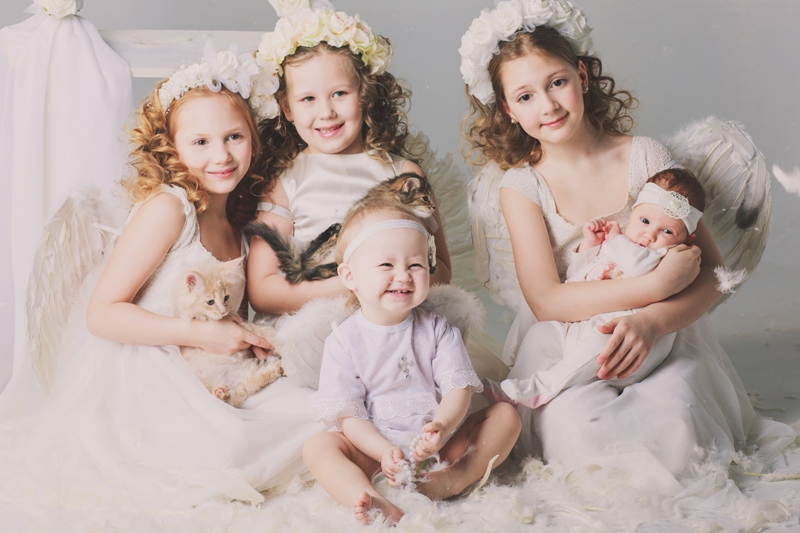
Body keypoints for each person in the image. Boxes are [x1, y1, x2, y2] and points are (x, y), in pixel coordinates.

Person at [460, 0, 795, 488]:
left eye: (557, 83)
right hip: (569, 337)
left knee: (678, 424)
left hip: (662, 327)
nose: (548, 106)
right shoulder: (522, 187)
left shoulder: (645, 157)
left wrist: (651, 320)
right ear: (509, 110)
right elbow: (546, 299)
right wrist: (654, 285)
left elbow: (713, 274)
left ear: (582, 76)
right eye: (526, 96)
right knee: (576, 433)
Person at [0, 45, 325, 509]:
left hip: (213, 372)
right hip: (151, 374)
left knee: (316, 408)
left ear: (253, 139)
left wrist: (242, 338)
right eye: (200, 142)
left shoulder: (238, 219)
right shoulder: (169, 209)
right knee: (234, 449)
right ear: (172, 149)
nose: (221, 155)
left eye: (234, 137)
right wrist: (200, 334)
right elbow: (101, 314)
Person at [246, 6, 506, 387]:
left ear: (364, 93)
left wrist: (390, 288)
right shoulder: (284, 182)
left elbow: (440, 269)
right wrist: (351, 287)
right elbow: (262, 289)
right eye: (308, 99)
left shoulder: (403, 174)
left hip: (398, 323)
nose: (326, 112)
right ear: (286, 107)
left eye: (339, 93)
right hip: (320, 330)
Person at [303, 201, 520, 524]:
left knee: (505, 415)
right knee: (318, 446)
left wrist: (441, 427)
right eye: (386, 265)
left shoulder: (437, 329)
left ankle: (452, 477)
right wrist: (382, 451)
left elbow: (457, 389)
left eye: (415, 265)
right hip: (374, 451)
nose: (403, 276)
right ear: (350, 276)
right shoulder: (344, 341)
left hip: (438, 447)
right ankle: (370, 496)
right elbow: (350, 415)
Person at [493, 169, 705, 408]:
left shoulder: (671, 256)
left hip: (627, 346)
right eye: (645, 221)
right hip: (581, 329)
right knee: (541, 334)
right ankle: (513, 388)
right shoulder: (623, 243)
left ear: (687, 240)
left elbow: (638, 266)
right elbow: (578, 281)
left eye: (667, 231)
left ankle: (545, 386)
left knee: (601, 345)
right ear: (633, 214)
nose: (650, 235)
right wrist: (590, 248)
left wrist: (614, 239)